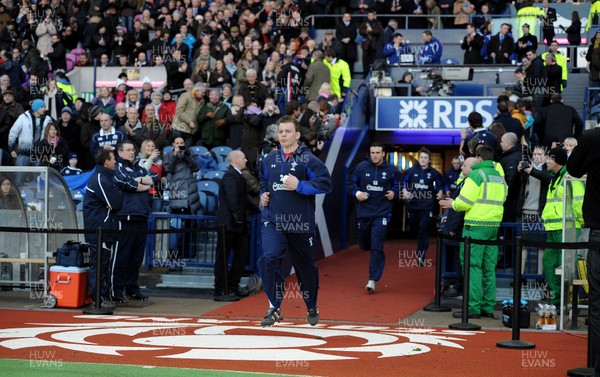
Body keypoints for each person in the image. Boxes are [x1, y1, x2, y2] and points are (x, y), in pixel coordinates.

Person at [258, 115, 333, 327]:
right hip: (273, 220)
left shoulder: (308, 159)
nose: (283, 135)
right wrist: (263, 195)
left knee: (305, 268)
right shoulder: (270, 158)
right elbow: (264, 181)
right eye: (280, 132)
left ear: (297, 135)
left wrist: (299, 185)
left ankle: (311, 305)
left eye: (288, 131)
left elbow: (326, 184)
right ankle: (274, 305)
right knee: (270, 258)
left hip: (301, 223)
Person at [439, 145, 508, 319]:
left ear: (478, 158)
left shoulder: (476, 175)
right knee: (488, 268)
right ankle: (488, 307)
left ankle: (473, 308)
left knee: (472, 267)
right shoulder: (499, 177)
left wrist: (452, 204)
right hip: (493, 226)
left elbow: (464, 202)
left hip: (475, 226)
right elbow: (504, 197)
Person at [529, 148, 584, 306]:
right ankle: (556, 300)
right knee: (548, 263)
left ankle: (567, 302)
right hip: (553, 229)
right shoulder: (555, 177)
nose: (547, 161)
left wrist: (580, 223)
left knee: (565, 267)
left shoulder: (570, 177)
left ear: (558, 161)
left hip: (567, 229)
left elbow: (579, 200)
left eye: (549, 159)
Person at [567, 127, 600, 377]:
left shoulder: (592, 137)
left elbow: (573, 169)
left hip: (599, 229)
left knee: (597, 302)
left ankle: (597, 366)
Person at [346, 142, 399, 293]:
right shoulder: (361, 167)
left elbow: (398, 184)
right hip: (364, 213)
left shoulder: (391, 170)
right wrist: (357, 193)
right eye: (372, 152)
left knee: (377, 245)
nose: (375, 155)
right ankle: (366, 245)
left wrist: (394, 192)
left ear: (383, 154)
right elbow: (350, 183)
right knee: (364, 245)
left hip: (382, 213)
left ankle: (372, 279)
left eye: (378, 152)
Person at [112, 140, 158, 303]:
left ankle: (132, 288)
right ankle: (117, 290)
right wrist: (140, 181)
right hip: (126, 217)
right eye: (128, 150)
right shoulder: (118, 168)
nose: (132, 152)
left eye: (133, 150)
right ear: (120, 152)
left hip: (142, 215)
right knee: (123, 256)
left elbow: (154, 178)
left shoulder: (139, 167)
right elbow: (126, 182)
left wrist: (139, 180)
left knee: (137, 257)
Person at [214, 150, 259, 300]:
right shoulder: (230, 176)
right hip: (228, 224)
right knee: (223, 257)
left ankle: (233, 285)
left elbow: (244, 199)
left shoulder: (238, 176)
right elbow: (233, 200)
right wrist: (238, 217)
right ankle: (220, 289)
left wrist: (258, 211)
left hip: (238, 224)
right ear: (235, 160)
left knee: (242, 254)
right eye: (243, 157)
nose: (246, 160)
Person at [83, 149, 122, 308]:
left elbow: (114, 201)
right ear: (106, 162)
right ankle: (98, 299)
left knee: (103, 264)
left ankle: (103, 296)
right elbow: (117, 202)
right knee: (99, 264)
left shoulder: (106, 177)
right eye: (113, 159)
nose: (116, 162)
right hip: (98, 230)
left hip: (105, 228)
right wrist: (115, 198)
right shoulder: (100, 178)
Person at [402, 148, 443, 265]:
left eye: (426, 158)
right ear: (418, 158)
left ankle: (421, 254)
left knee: (423, 228)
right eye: (421, 157)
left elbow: (440, 184)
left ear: (429, 160)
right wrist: (404, 190)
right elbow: (404, 183)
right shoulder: (410, 171)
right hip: (413, 205)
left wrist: (440, 191)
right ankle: (420, 247)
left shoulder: (434, 173)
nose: (423, 160)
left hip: (427, 206)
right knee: (414, 229)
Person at [164, 136, 201, 259]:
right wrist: (175, 155)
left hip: (190, 194)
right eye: (177, 143)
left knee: (190, 226)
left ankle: (187, 252)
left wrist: (186, 156)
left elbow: (196, 167)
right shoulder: (169, 155)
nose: (179, 145)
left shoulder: (189, 153)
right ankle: (176, 253)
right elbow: (169, 169)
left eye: (181, 143)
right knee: (177, 226)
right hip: (177, 194)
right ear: (173, 144)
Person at [8, 99, 53, 167]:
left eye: (44, 106)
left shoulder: (48, 119)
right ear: (35, 108)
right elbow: (13, 133)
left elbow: (53, 135)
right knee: (20, 176)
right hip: (24, 153)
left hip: (40, 155)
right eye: (41, 107)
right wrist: (11, 149)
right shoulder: (23, 117)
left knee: (37, 177)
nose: (44, 108)